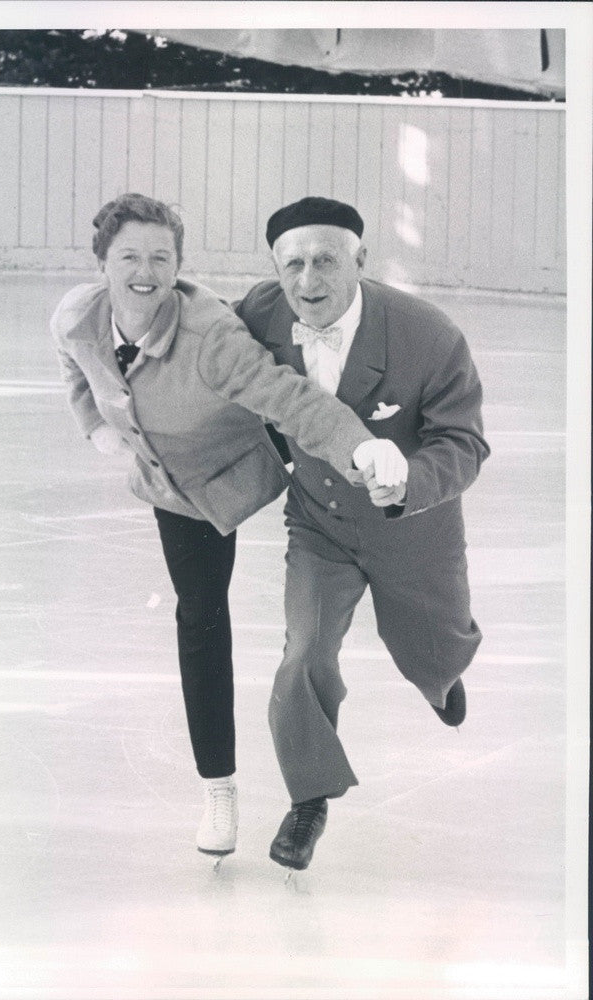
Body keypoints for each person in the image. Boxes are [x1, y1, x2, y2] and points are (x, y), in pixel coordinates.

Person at [50, 193, 405, 861]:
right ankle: (220, 787)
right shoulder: (77, 317)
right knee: (201, 612)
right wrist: (96, 425)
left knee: (336, 581)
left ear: (181, 265)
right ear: (101, 262)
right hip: (187, 483)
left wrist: (358, 448)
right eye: (129, 256)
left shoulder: (210, 336)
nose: (145, 271)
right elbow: (77, 368)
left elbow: (290, 399)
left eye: (162, 256)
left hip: (261, 440)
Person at [235, 196, 490, 871]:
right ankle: (308, 799)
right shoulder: (258, 315)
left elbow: (465, 443)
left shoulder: (427, 334)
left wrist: (409, 479)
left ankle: (441, 676)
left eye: (325, 261)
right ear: (274, 269)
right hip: (319, 521)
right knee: (304, 653)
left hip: (415, 527)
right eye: (293, 265)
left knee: (431, 650)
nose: (309, 281)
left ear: (360, 260)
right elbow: (209, 364)